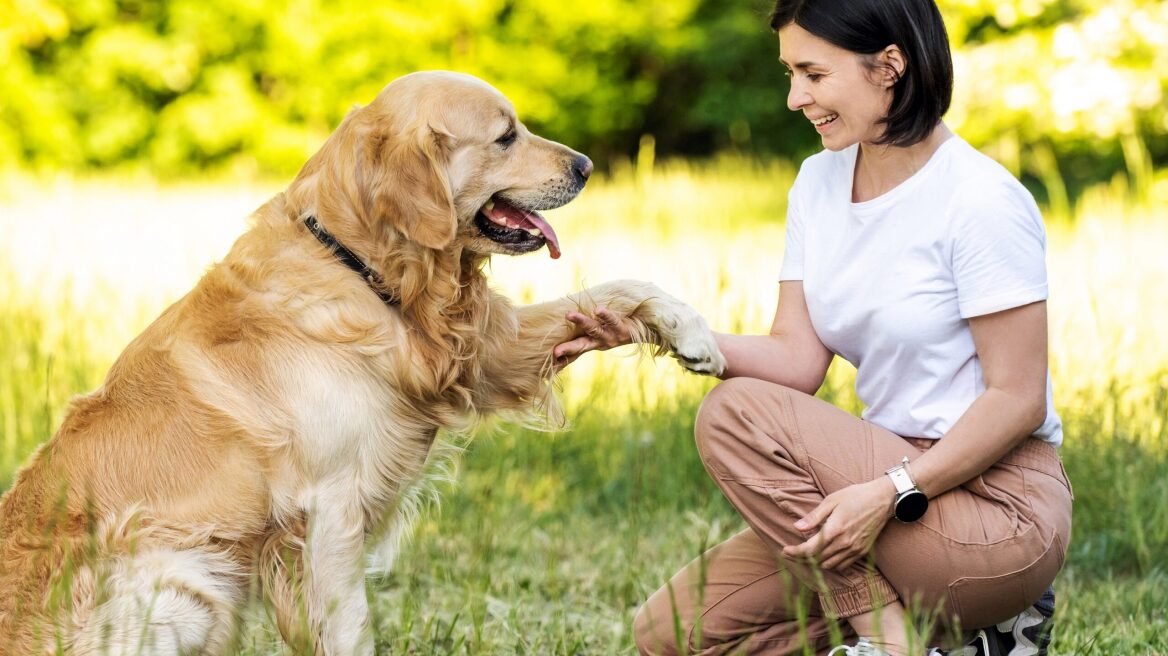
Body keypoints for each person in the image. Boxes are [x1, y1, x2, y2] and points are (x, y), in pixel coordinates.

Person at [552, 0, 1073, 654]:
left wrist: (890, 492)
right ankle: (954, 642)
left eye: (813, 74)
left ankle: (889, 640)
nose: (795, 97)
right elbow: (797, 359)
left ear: (889, 66)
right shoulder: (818, 183)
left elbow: (1018, 399)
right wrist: (652, 327)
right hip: (881, 483)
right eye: (789, 74)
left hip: (994, 511)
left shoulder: (981, 201)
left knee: (732, 412)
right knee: (671, 634)